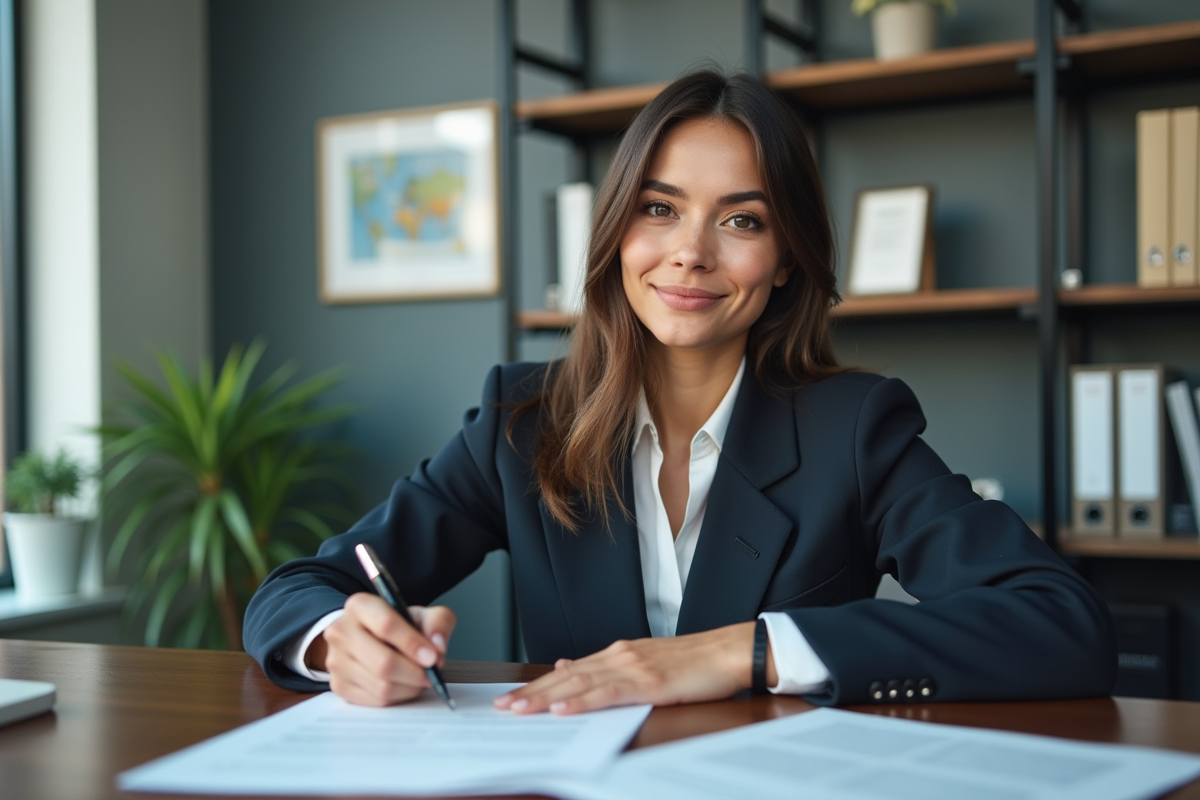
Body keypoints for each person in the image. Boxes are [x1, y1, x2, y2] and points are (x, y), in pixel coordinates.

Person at [244, 70, 1115, 712]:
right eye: (659, 209)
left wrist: (749, 651)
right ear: (617, 231)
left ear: (784, 263)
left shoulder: (855, 429)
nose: (691, 252)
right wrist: (338, 643)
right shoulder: (522, 423)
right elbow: (299, 587)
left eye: (741, 220)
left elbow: (1063, 625)